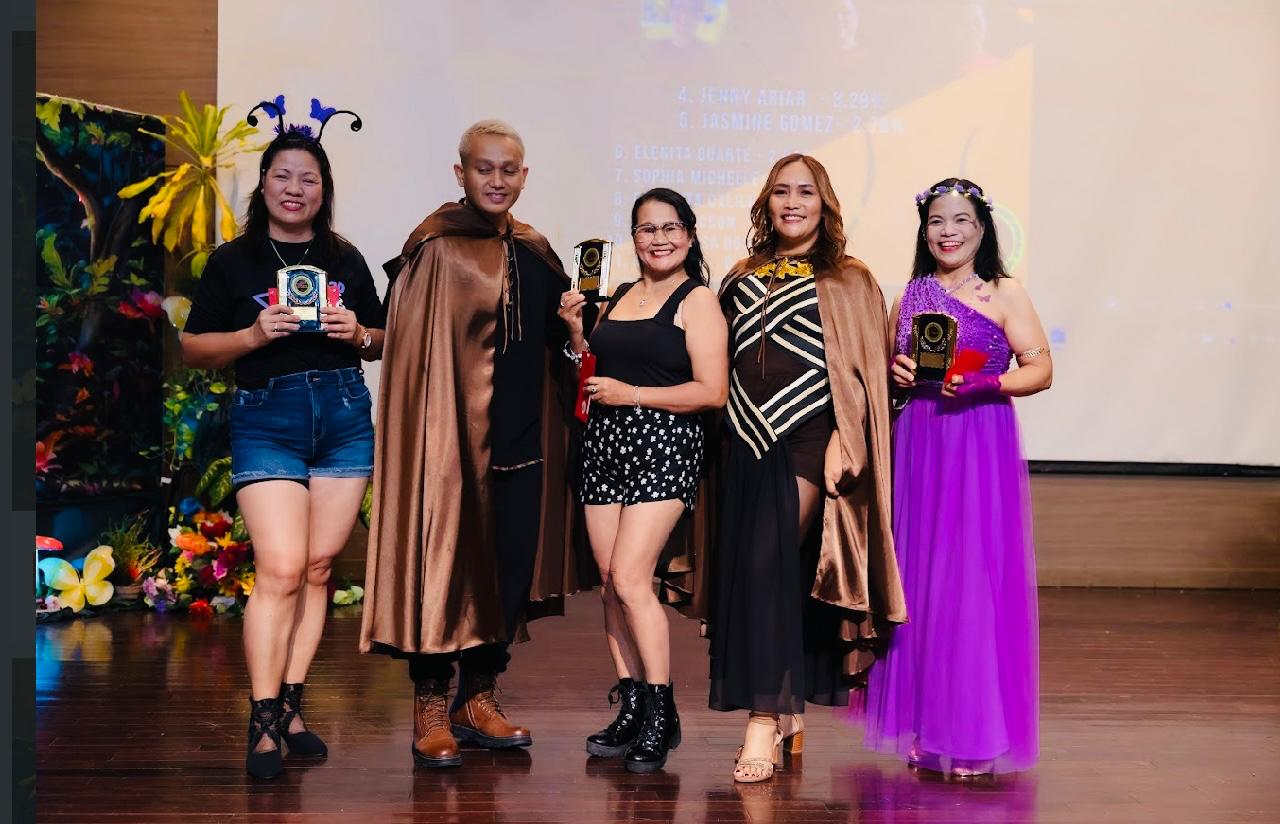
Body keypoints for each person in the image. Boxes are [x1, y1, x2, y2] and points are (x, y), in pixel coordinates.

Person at [360, 120, 584, 769]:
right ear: (461, 175)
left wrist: (572, 332)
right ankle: (431, 700)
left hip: (519, 443)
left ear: (523, 176)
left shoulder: (539, 253)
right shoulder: (434, 247)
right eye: (483, 169)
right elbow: (399, 339)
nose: (496, 180)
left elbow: (554, 347)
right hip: (447, 447)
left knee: (506, 575)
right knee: (443, 570)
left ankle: (476, 697)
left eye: (508, 170)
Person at [182, 102, 385, 780]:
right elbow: (192, 347)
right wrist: (250, 336)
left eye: (309, 179)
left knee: (321, 568)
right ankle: (264, 717)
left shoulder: (345, 258)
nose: (295, 189)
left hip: (343, 413)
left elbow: (384, 339)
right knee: (280, 568)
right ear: (264, 183)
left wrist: (355, 332)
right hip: (266, 417)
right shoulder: (232, 263)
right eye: (283, 176)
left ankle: (294, 703)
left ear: (323, 192)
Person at [708, 153, 906, 783]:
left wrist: (849, 438)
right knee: (768, 575)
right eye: (781, 192)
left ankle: (762, 723)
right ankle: (788, 707)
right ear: (766, 203)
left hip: (809, 442)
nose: (793, 202)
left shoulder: (850, 280)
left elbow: (866, 379)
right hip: (740, 442)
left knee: (766, 564)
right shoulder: (739, 277)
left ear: (826, 203)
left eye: (806, 192)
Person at [862, 178, 1052, 778]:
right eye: (937, 221)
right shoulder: (912, 293)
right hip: (920, 436)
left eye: (962, 221)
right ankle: (927, 724)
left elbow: (1041, 367)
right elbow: (890, 370)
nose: (948, 231)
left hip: (977, 441)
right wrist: (896, 374)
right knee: (919, 582)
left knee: (969, 581)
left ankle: (971, 733)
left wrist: (989, 383)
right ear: (924, 230)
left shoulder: (1003, 291)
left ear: (983, 229)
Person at [558, 188, 728, 773]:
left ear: (690, 234)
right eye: (646, 229)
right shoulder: (622, 294)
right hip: (605, 445)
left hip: (665, 444)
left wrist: (631, 395)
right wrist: (578, 334)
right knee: (610, 581)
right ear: (633, 238)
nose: (658, 238)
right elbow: (596, 370)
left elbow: (712, 391)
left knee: (633, 578)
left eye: (670, 227)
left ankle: (662, 712)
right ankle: (630, 705)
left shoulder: (698, 300)